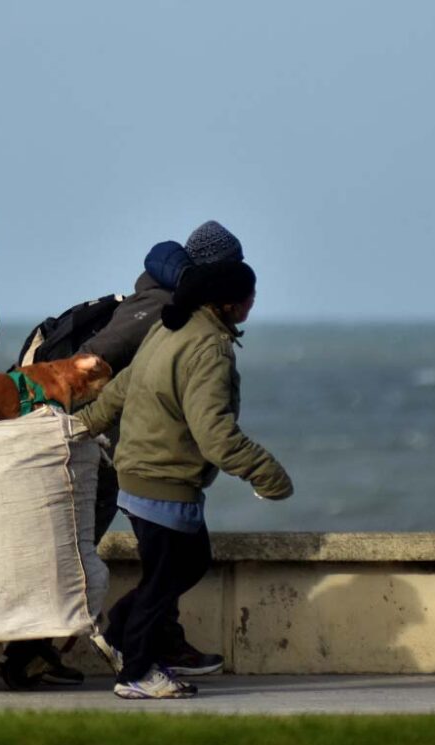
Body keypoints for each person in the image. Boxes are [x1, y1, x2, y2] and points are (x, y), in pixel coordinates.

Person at [73, 259, 293, 699]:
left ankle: (120, 634)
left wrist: (82, 424)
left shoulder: (170, 327)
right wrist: (270, 476)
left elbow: (119, 390)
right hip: (163, 481)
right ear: (231, 303)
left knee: (185, 565)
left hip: (136, 474)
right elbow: (215, 435)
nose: (254, 303)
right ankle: (135, 672)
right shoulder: (209, 348)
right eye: (251, 296)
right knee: (166, 579)